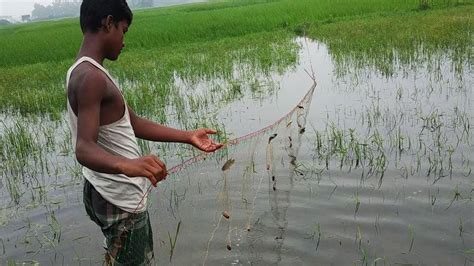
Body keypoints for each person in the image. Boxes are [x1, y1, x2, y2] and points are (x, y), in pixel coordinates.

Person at [66, 0, 222, 264]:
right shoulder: (92, 77)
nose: (124, 41)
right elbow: (84, 147)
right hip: (120, 199)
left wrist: (188, 136)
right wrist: (128, 164)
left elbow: (132, 122)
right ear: (108, 23)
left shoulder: (84, 71)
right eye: (123, 30)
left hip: (102, 189)